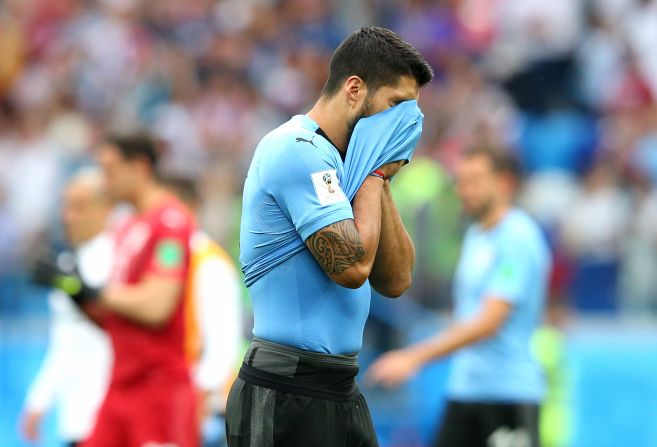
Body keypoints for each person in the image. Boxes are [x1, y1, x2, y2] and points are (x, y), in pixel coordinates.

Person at [228, 26, 433, 447]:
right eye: (396, 106)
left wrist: (377, 174)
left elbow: (395, 281)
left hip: (341, 387)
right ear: (354, 89)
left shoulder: (351, 166)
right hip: (285, 389)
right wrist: (375, 174)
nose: (406, 125)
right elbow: (352, 267)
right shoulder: (297, 149)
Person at [368, 146, 552, 447]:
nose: (464, 190)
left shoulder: (517, 237)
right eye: (461, 181)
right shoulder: (477, 236)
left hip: (507, 394)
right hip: (466, 388)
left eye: (475, 180)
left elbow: (490, 321)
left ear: (504, 183)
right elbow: (471, 313)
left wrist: (415, 356)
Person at [33, 134, 199, 447]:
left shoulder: (172, 223)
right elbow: (114, 319)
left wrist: (92, 292)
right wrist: (78, 295)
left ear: (139, 167)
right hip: (119, 387)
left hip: (158, 391)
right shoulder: (125, 228)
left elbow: (157, 305)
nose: (104, 181)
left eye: (110, 170)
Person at [22, 169, 113, 447]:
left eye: (80, 208)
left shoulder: (119, 258)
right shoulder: (67, 264)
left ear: (105, 209)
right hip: (76, 417)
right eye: (66, 207)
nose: (68, 217)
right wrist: (40, 398)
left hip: (110, 414)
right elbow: (65, 340)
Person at [163, 176, 243, 447]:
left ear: (192, 207)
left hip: (205, 406)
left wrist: (198, 398)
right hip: (173, 400)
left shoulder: (210, 264)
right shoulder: (167, 259)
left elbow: (222, 347)